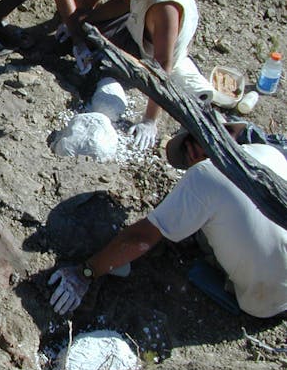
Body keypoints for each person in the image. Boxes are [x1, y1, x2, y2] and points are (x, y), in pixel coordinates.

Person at [48, 120, 287, 319]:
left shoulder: (204, 175)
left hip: (265, 304)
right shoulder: (270, 152)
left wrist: (86, 273)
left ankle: (231, 288)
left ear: (192, 153)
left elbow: (141, 237)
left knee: (198, 235)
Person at [67, 0, 210, 150]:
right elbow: (123, 3)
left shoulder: (164, 7)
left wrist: (150, 121)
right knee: (85, 34)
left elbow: (162, 65)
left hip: (152, 51)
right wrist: (87, 17)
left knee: (103, 68)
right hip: (135, 24)